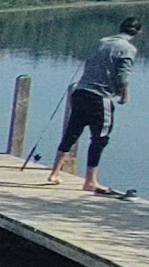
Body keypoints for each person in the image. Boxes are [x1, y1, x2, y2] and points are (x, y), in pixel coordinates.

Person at [48, 17, 141, 195]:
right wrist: (124, 94)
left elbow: (89, 63)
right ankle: (90, 181)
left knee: (72, 132)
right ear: (137, 33)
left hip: (81, 91)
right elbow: (123, 74)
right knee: (100, 139)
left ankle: (55, 173)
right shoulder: (128, 49)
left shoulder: (102, 42)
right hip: (100, 97)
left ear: (120, 28)